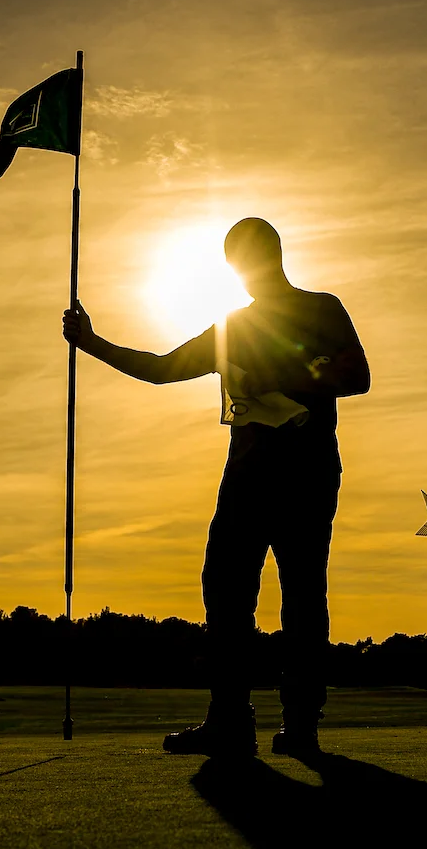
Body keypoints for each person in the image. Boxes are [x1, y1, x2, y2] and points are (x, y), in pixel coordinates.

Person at [63, 217, 370, 758]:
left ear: (272, 256)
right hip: (247, 475)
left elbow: (357, 376)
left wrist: (285, 375)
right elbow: (162, 369)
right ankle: (231, 718)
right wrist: (90, 343)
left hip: (306, 470)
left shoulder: (323, 308)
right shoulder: (231, 325)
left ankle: (300, 724)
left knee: (301, 595)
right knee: (226, 589)